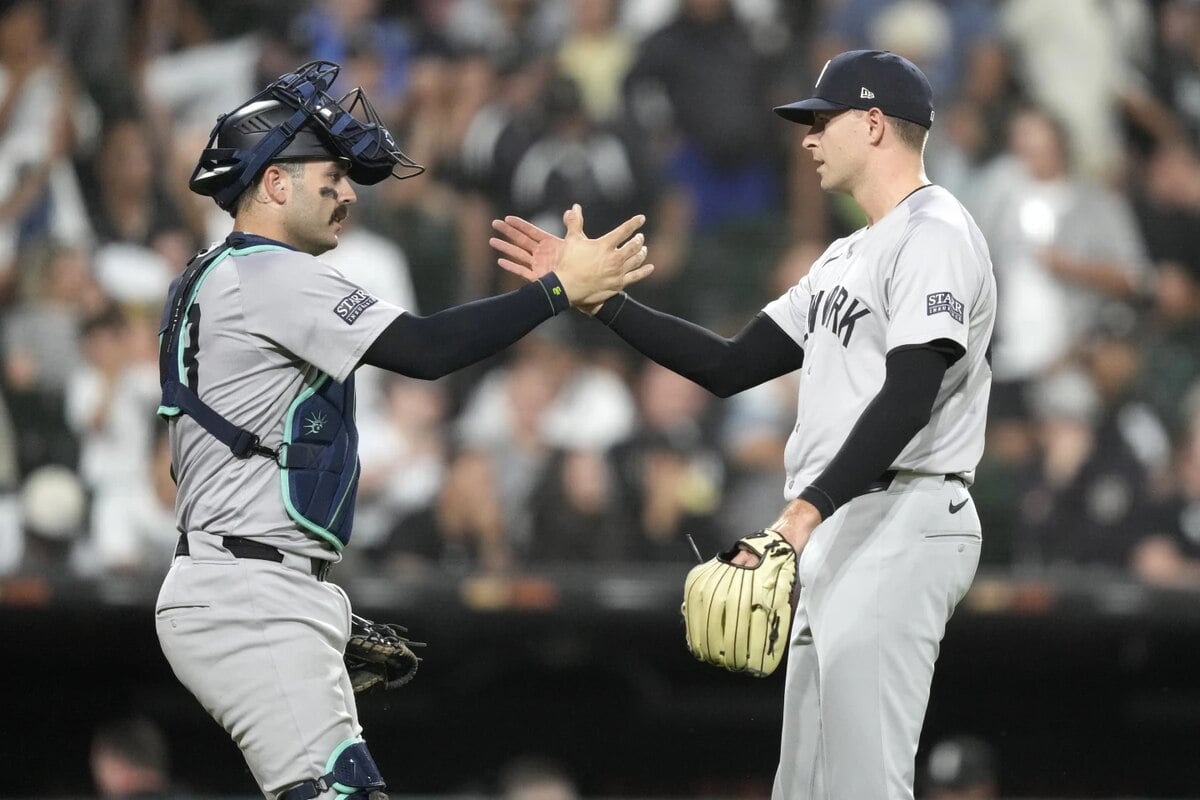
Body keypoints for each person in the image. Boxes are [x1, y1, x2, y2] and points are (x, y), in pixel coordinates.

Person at [492, 49, 995, 800]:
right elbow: (728, 366)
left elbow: (909, 394)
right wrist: (599, 302)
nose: (808, 139)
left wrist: (801, 512)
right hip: (842, 526)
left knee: (862, 786)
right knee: (804, 790)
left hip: (905, 511)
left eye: (822, 121)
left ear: (874, 123)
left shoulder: (937, 231)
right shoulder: (845, 255)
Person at [154, 59, 650, 800]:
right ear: (275, 183)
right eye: (331, 178)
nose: (349, 193)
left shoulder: (217, 273)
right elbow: (426, 350)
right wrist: (556, 291)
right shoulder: (269, 275)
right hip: (249, 591)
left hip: (252, 580)